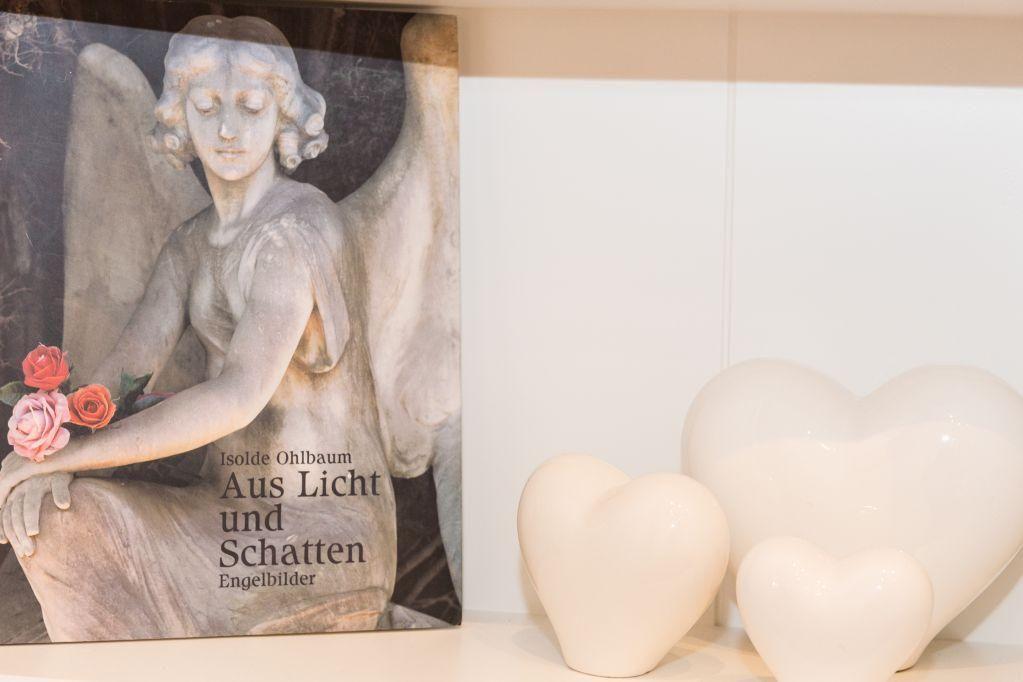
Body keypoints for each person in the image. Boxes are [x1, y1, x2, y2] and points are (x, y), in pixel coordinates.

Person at [0, 15, 397, 641]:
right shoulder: (189, 246)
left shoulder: (297, 230)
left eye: (250, 107)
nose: (228, 129)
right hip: (228, 518)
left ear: (283, 114)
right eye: (207, 107)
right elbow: (118, 381)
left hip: (320, 534)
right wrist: (44, 459)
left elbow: (238, 396)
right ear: (179, 116)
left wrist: (70, 456)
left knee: (65, 514)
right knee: (56, 518)